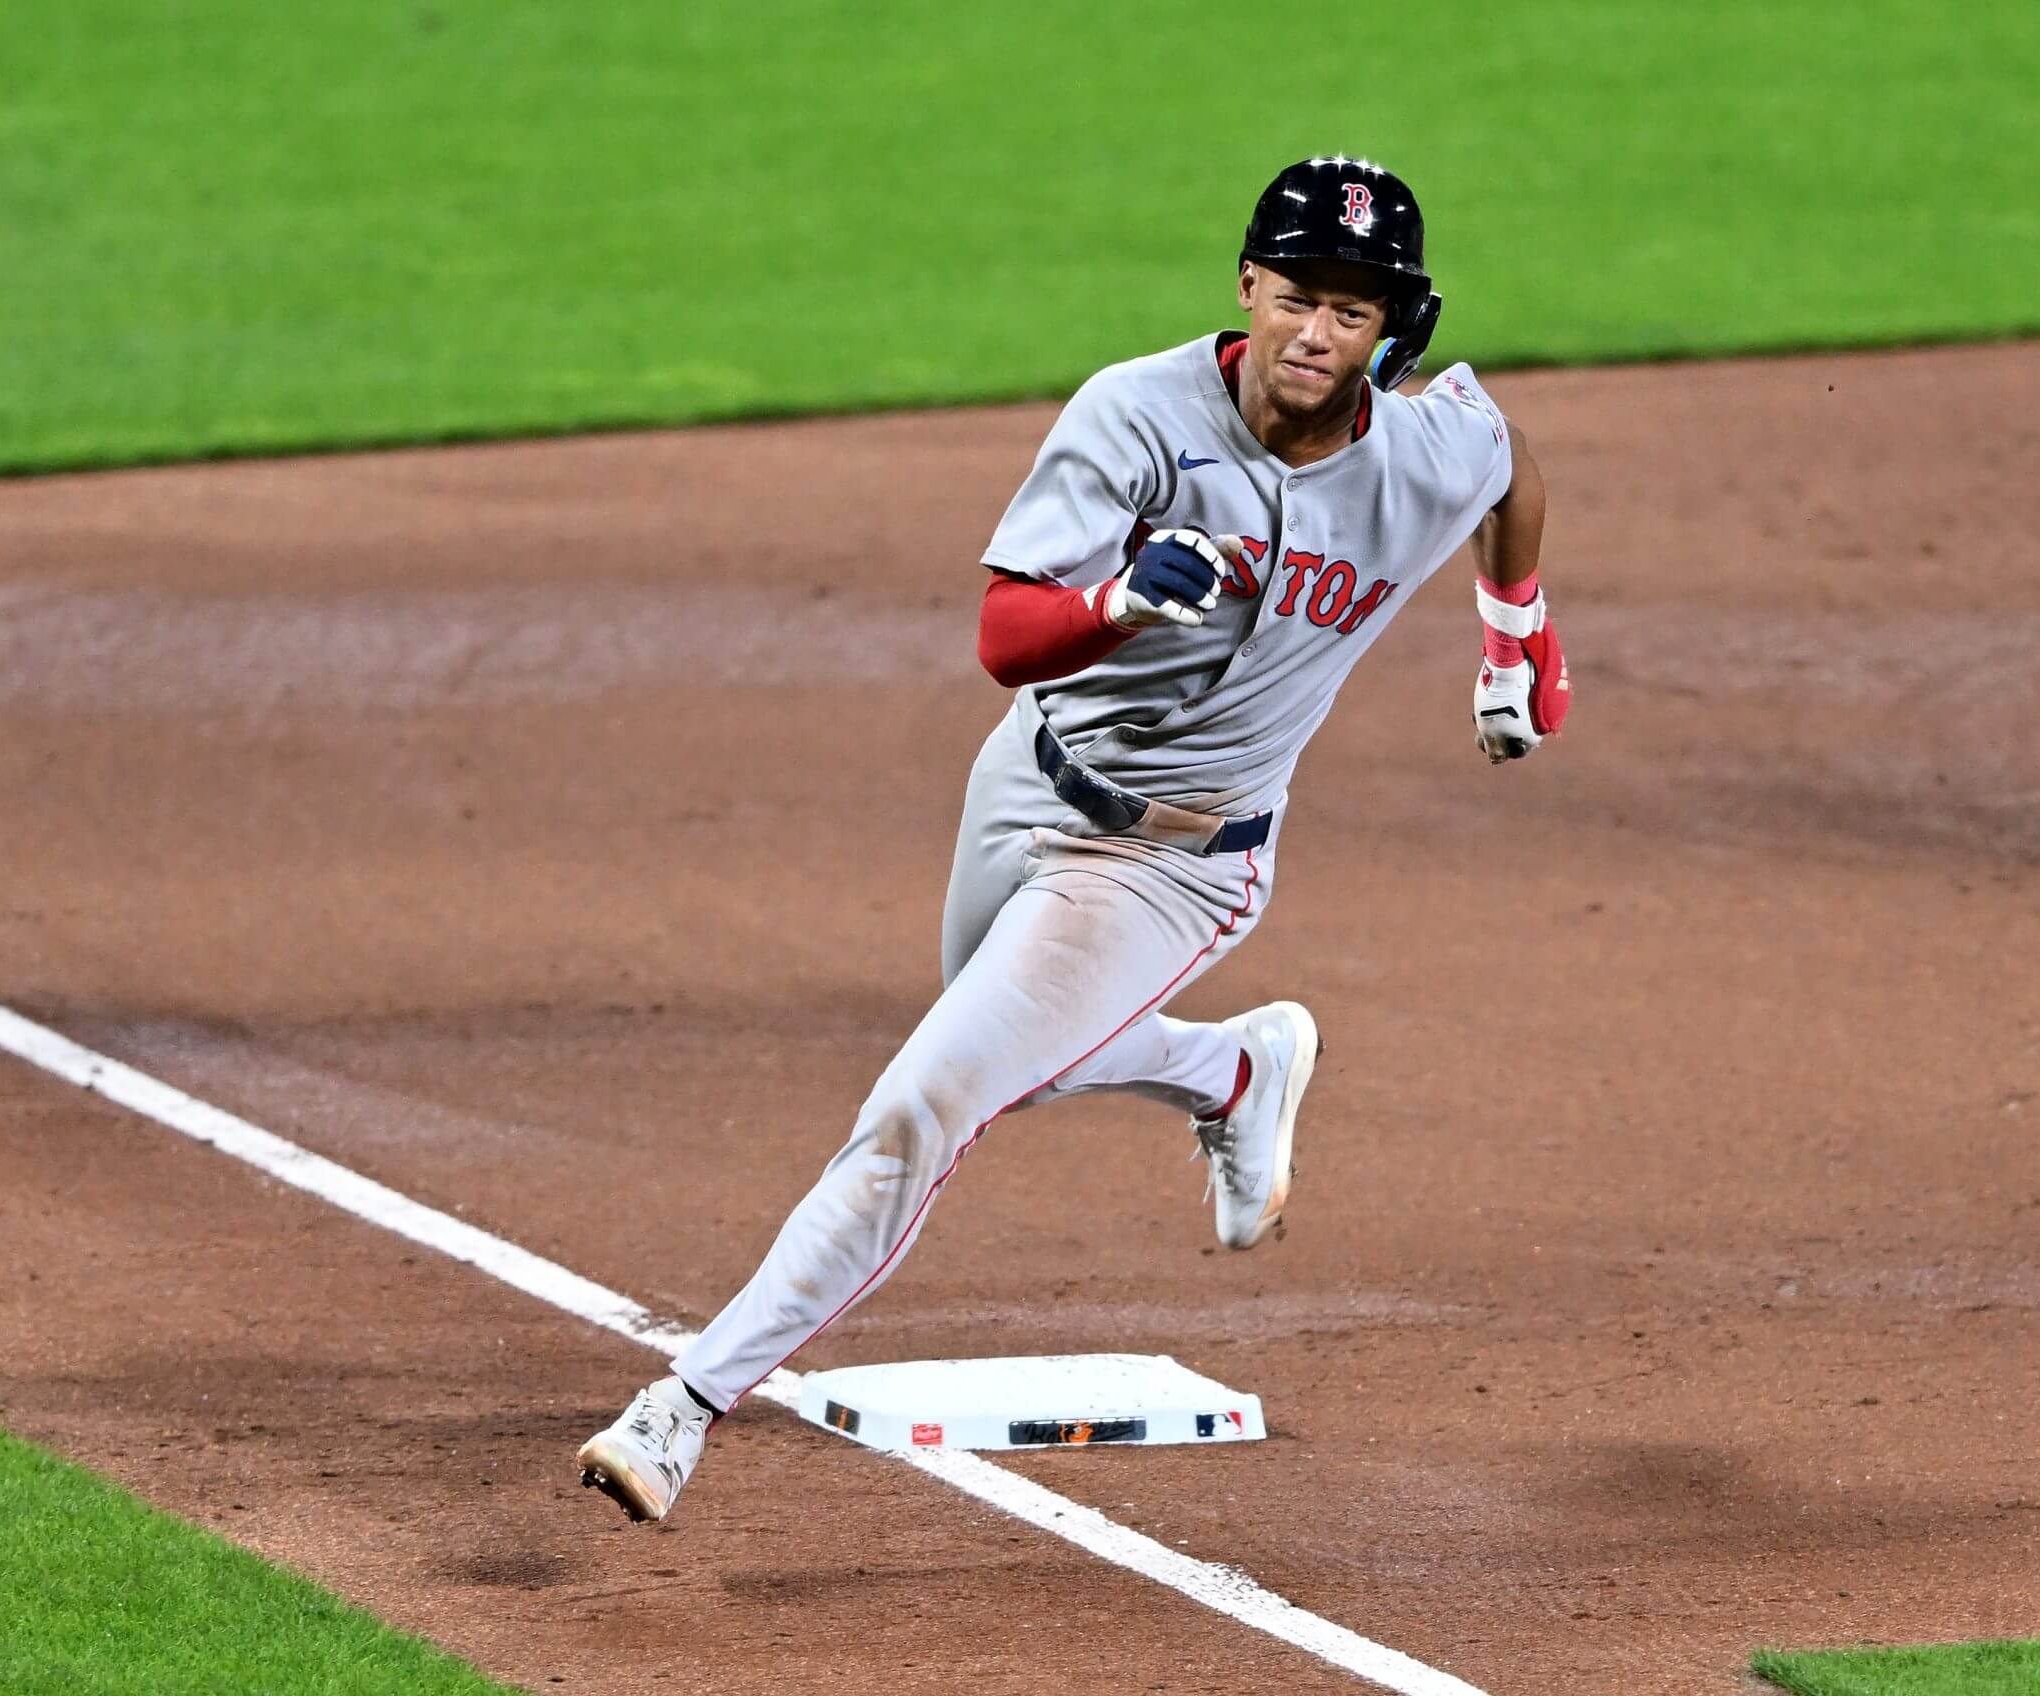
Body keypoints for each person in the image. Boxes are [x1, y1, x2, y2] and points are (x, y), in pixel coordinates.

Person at [578, 155, 1569, 1521]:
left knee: (925, 1103)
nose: (1315, 334)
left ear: (1393, 327)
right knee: (1013, 1070)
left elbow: (1511, 459)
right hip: (1028, 781)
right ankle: (1233, 1072)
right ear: (1246, 285)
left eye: (1351, 311)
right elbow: (1002, 641)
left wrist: (1515, 635)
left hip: (1176, 867)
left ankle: (683, 1407)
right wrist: (1116, 600)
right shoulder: (1137, 415)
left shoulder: (1421, 454)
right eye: (1294, 297)